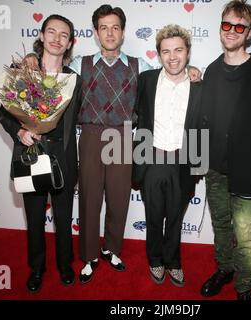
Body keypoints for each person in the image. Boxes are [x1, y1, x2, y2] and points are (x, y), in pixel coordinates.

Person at [68, 4, 201, 284]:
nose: (110, 32)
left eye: (115, 27)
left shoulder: (140, 67)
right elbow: (53, 71)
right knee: (90, 200)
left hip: (124, 135)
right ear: (95, 32)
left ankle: (111, 249)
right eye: (103, 27)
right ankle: (90, 255)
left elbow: (172, 71)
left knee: (118, 200)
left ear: (124, 32)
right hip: (91, 136)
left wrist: (193, 71)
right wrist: (33, 57)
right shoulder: (80, 63)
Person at [199, 0, 251, 300]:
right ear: (220, 27)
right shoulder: (211, 70)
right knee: (221, 225)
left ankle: (244, 287)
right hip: (214, 168)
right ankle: (225, 268)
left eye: (239, 26)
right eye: (227, 24)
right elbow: (203, 120)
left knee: (246, 235)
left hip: (249, 172)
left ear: (249, 32)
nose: (232, 31)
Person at [0, 14, 82, 293]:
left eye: (63, 35)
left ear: (70, 42)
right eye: (52, 32)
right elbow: (5, 113)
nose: (57, 39)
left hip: (63, 156)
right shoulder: (24, 71)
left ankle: (65, 265)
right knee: (34, 218)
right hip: (31, 153)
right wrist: (20, 133)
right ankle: (36, 269)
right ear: (42, 35)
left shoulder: (75, 80)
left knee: (63, 217)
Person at [132, 24, 203, 287]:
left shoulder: (199, 86)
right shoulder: (147, 80)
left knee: (175, 217)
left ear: (187, 52)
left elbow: (202, 126)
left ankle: (173, 261)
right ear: (159, 54)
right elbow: (139, 120)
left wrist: (199, 165)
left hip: (183, 162)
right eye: (166, 51)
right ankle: (155, 260)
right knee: (153, 216)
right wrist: (139, 161)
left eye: (178, 50)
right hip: (152, 159)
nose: (172, 57)